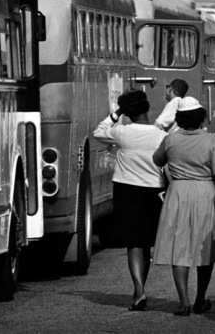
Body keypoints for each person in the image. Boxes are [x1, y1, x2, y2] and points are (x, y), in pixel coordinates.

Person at [152, 97, 215, 316]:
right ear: (201, 117)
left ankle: (183, 300)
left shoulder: (171, 139)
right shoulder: (211, 140)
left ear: (179, 119)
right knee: (206, 247)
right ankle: (200, 298)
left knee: (180, 247)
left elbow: (158, 160)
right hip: (206, 192)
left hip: (178, 193)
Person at [92, 90, 166, 311]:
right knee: (146, 244)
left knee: (133, 242)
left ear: (128, 112)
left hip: (126, 190)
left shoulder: (122, 133)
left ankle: (138, 290)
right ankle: (142, 285)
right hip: (154, 190)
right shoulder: (161, 135)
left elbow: (98, 131)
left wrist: (116, 114)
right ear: (147, 109)